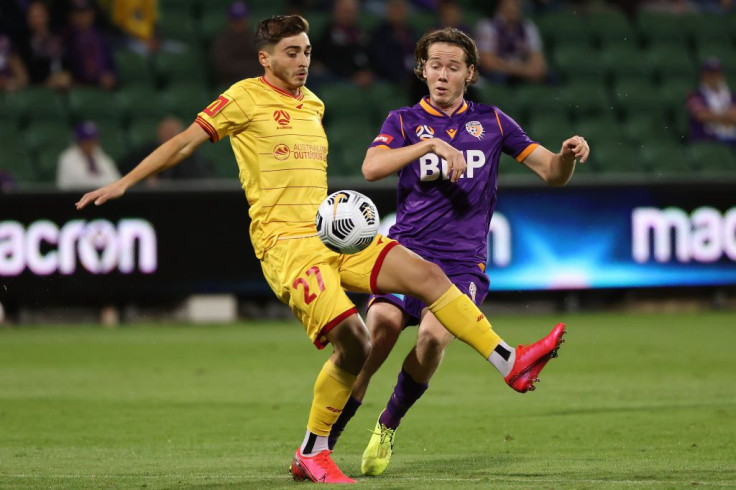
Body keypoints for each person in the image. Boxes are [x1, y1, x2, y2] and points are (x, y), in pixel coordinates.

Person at [75, 15, 567, 484]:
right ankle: (312, 452)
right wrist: (126, 182)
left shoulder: (313, 103)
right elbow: (184, 142)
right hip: (286, 245)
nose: (303, 61)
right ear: (265, 58)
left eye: (307, 51)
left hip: (333, 234)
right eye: (291, 53)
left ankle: (510, 361)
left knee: (428, 279)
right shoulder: (243, 97)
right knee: (357, 341)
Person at [327, 27, 589, 477]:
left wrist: (566, 155)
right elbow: (371, 168)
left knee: (431, 340)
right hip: (405, 257)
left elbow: (551, 172)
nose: (442, 75)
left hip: (462, 262)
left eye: (453, 67)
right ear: (422, 70)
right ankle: (321, 448)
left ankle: (387, 425)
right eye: (434, 66)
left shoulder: (493, 122)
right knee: (376, 341)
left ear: (470, 73)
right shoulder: (404, 121)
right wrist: (428, 144)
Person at [119, 116, 215, 183]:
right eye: (164, 132)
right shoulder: (149, 150)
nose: (167, 136)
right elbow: (125, 168)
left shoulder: (189, 155)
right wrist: (144, 177)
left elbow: (196, 180)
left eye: (171, 133)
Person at [474, 0, 548, 85]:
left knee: (550, 76)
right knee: (499, 77)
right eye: (512, 2)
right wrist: (521, 70)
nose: (516, 5)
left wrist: (531, 69)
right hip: (501, 73)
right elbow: (487, 61)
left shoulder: (527, 26)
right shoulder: (487, 25)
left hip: (522, 70)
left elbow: (538, 58)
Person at [62, 0, 116, 89]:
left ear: (92, 14)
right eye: (78, 13)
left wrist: (111, 75)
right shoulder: (66, 38)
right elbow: (67, 67)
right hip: (78, 87)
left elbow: (111, 64)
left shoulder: (100, 37)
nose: (82, 17)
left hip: (104, 87)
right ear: (71, 16)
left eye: (86, 13)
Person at [16, 1, 70, 89]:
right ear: (28, 19)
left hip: (66, 87)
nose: (38, 20)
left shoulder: (61, 37)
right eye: (34, 17)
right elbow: (27, 75)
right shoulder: (23, 44)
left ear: (47, 15)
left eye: (40, 15)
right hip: (40, 92)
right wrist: (46, 81)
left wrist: (67, 75)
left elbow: (70, 63)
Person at [210, 1, 262, 86]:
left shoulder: (253, 36)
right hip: (233, 84)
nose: (240, 24)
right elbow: (223, 67)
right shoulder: (223, 40)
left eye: (242, 20)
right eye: (236, 21)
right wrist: (249, 69)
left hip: (256, 81)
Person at [686, 57, 736, 146]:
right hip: (707, 139)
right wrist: (727, 116)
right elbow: (701, 115)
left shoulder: (732, 96)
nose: (713, 78)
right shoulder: (696, 95)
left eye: (715, 74)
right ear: (703, 76)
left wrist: (714, 115)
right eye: (709, 74)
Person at [58, 121, 120, 190]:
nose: (90, 144)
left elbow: (115, 179)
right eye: (86, 141)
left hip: (98, 196)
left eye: (93, 141)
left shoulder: (100, 154)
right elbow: (82, 182)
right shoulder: (67, 157)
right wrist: (104, 182)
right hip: (71, 198)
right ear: (78, 142)